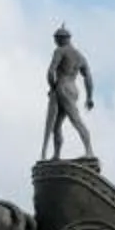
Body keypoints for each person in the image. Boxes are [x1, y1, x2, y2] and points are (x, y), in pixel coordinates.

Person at [42, 25, 97, 163]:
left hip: (62, 86)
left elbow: (50, 71)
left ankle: (89, 150)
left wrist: (52, 86)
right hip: (73, 89)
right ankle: (56, 155)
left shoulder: (60, 51)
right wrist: (89, 97)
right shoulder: (80, 56)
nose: (55, 41)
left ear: (62, 39)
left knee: (75, 120)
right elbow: (88, 77)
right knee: (56, 125)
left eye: (57, 39)